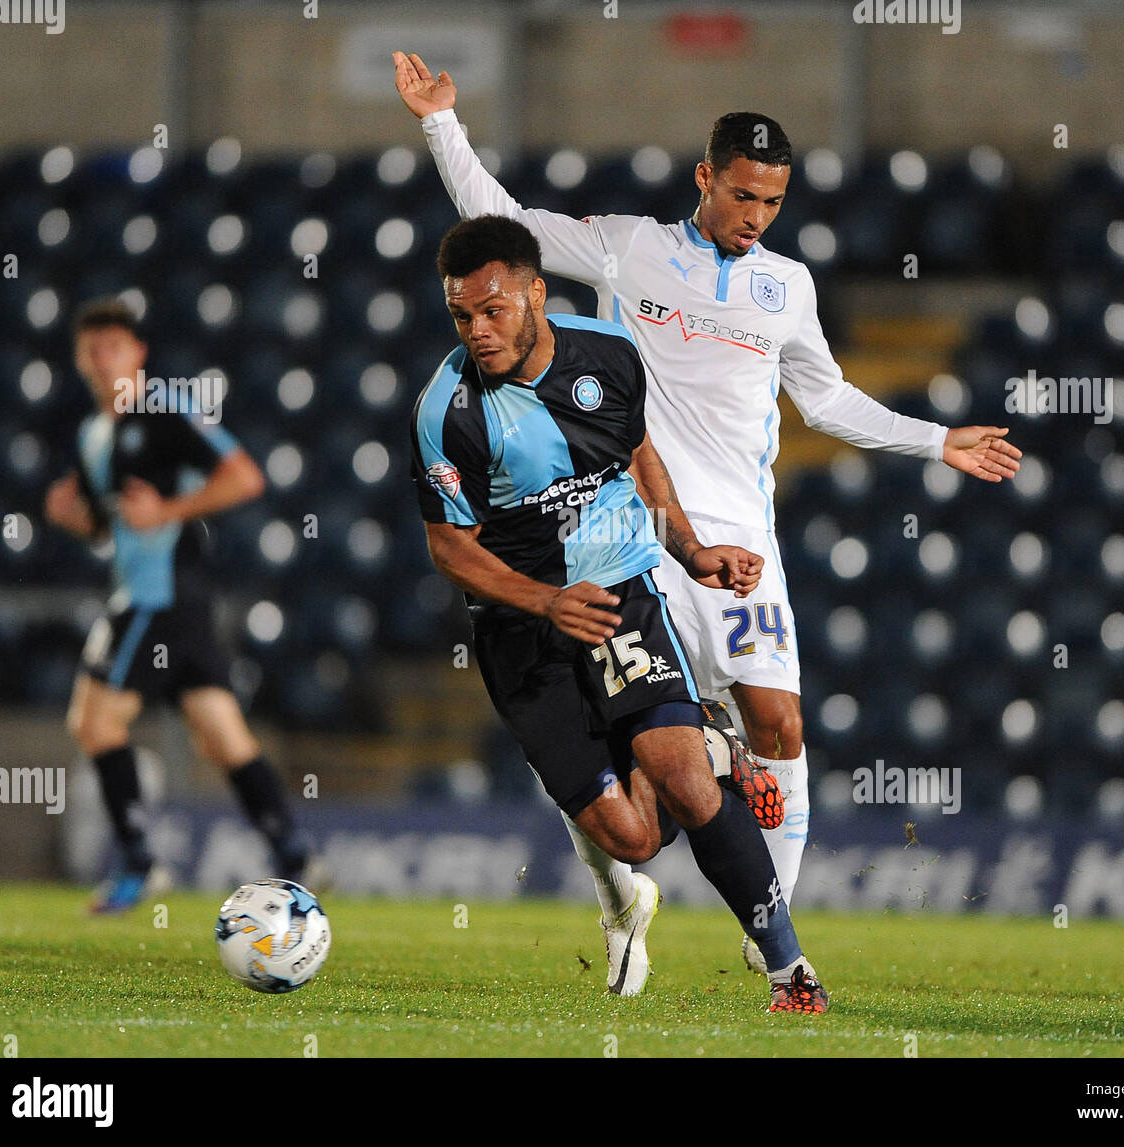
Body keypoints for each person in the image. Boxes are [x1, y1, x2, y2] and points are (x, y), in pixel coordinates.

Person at [394, 50, 1021, 983]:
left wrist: (937, 441)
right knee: (630, 774)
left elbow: (830, 401)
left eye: (771, 202)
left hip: (735, 535)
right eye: (740, 196)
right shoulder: (629, 248)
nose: (754, 216)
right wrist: (441, 123)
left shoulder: (788, 289)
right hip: (626, 539)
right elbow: (503, 228)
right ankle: (625, 905)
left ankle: (771, 918)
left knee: (781, 726)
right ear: (705, 179)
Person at [411, 214, 826, 1012]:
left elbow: (641, 461)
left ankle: (790, 971)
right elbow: (452, 549)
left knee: (688, 784)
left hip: (621, 592)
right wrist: (544, 599)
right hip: (521, 631)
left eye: (493, 310)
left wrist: (693, 551)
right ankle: (672, 800)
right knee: (634, 835)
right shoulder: (447, 410)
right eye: (462, 315)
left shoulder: (607, 358)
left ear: (536, 293)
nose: (478, 330)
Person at [45, 298, 316, 913]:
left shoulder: (165, 415)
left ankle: (140, 862)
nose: (100, 361)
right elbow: (110, 525)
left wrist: (165, 511)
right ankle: (295, 852)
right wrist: (77, 520)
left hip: (154, 598)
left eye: (113, 347)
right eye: (90, 350)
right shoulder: (93, 435)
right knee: (222, 735)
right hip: (179, 606)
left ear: (138, 354)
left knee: (93, 722)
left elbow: (245, 477)